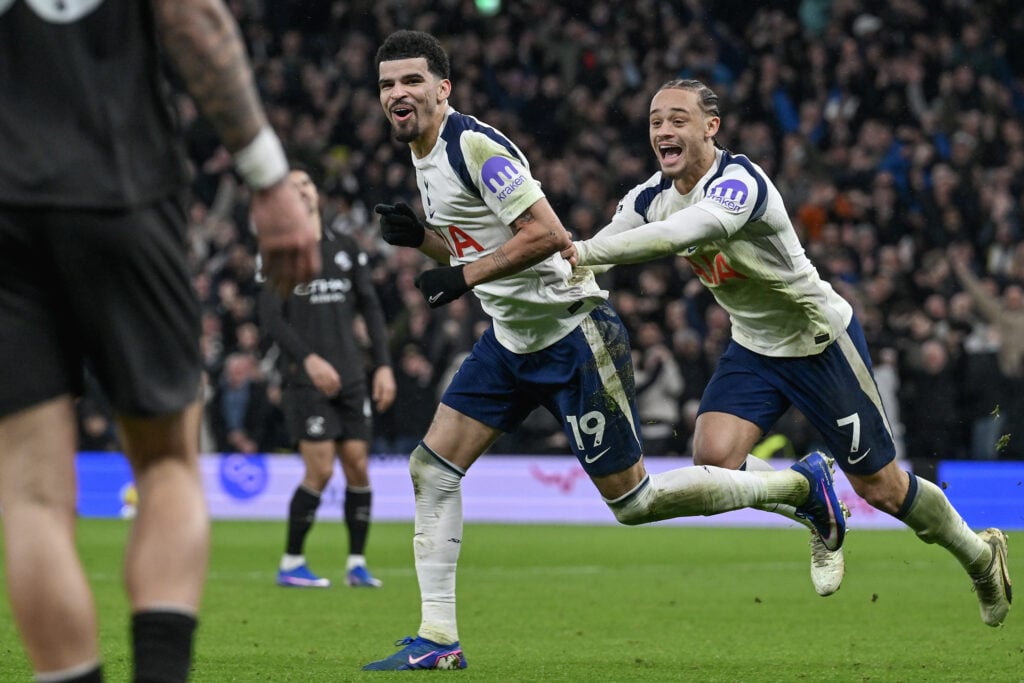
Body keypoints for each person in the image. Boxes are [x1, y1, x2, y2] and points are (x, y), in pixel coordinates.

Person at [362, 31, 846, 671]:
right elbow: (478, 250)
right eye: (388, 84)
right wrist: (425, 242)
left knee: (634, 503)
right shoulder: (424, 157)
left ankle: (799, 483)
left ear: (442, 88)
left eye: (412, 81)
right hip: (511, 341)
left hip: (572, 334)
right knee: (431, 468)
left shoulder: (473, 146)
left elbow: (548, 234)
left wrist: (461, 276)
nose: (399, 94)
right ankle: (438, 639)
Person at [568, 78, 1011, 627]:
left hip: (819, 340)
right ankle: (809, 492)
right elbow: (600, 255)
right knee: (713, 458)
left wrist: (578, 250)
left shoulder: (740, 183)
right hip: (753, 345)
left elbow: (680, 234)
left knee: (884, 488)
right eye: (656, 120)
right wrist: (543, 265)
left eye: (677, 119)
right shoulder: (646, 197)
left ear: (712, 127)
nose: (663, 130)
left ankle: (978, 555)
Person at [0, 2, 319, 682]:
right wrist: (267, 175)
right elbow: (190, 17)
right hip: (123, 187)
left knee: (29, 493)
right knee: (169, 463)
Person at [259, 167, 397, 589]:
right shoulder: (279, 252)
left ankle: (356, 563)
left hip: (353, 375)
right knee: (318, 471)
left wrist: (384, 364)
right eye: (291, 187)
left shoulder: (346, 247)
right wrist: (309, 360)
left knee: (357, 467)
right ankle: (291, 562)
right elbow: (270, 318)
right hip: (306, 379)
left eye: (306, 184)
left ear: (316, 194)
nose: (301, 191)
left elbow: (370, 308)